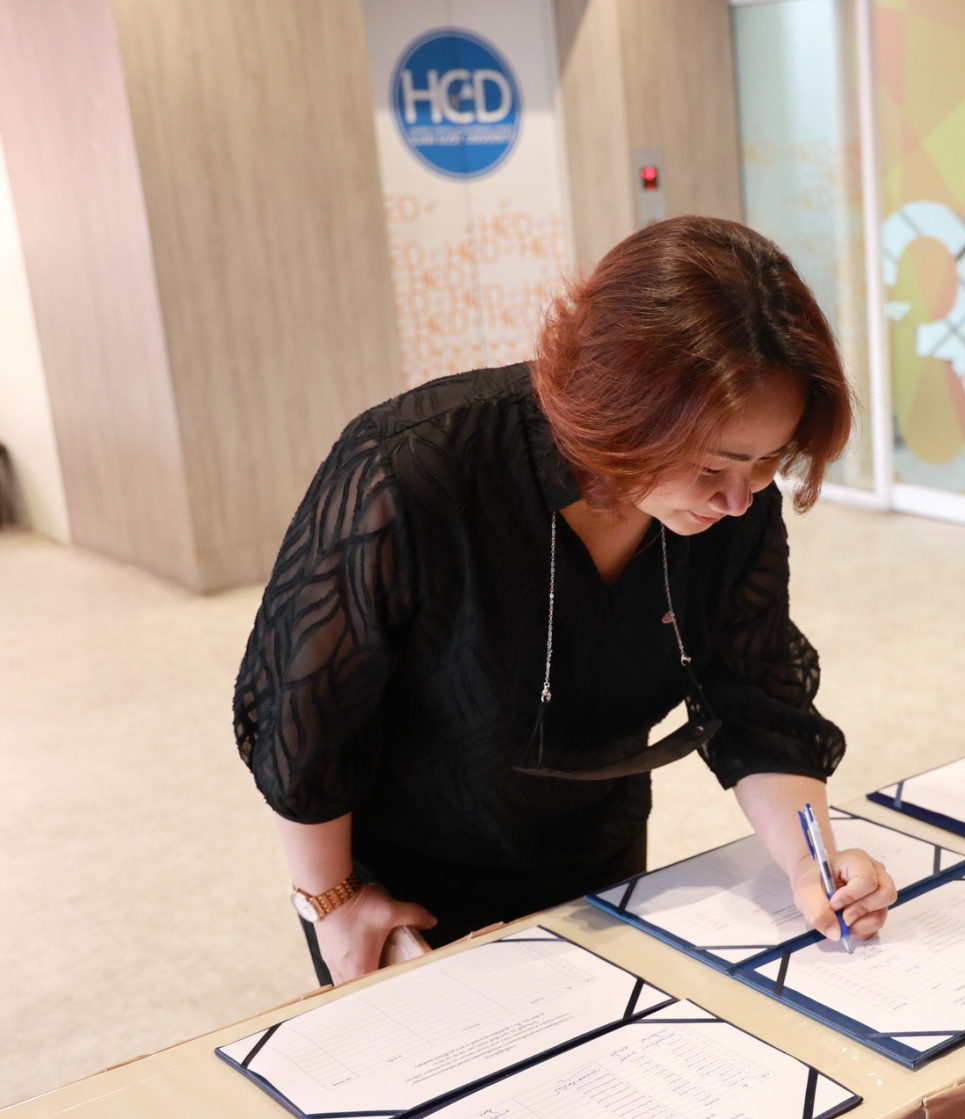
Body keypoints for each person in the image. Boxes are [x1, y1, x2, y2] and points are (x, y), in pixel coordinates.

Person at [235, 216, 897, 987]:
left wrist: (812, 863)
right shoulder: (414, 468)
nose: (739, 498)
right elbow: (304, 717)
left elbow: (758, 702)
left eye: (767, 461)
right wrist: (332, 898)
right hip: (400, 885)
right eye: (715, 464)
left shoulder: (732, 508)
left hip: (599, 857)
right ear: (628, 412)